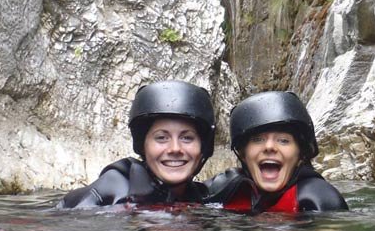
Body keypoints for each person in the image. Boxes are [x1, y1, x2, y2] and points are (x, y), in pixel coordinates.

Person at [57, 80, 215, 208]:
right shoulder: (114, 189)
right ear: (143, 146)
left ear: (203, 147)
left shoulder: (202, 198)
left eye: (187, 138)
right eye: (161, 138)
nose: (175, 148)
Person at [205, 91, 348, 213]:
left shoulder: (320, 197)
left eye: (283, 140)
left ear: (300, 156)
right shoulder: (225, 188)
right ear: (243, 153)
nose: (269, 147)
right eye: (258, 139)